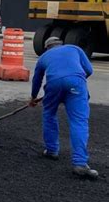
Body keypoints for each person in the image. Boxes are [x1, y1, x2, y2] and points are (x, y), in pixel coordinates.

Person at [29, 36, 98, 179]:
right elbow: (89, 70)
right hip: (77, 83)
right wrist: (73, 79)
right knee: (79, 121)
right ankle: (80, 163)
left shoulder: (43, 57)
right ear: (61, 44)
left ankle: (52, 150)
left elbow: (37, 79)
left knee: (49, 113)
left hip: (53, 84)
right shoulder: (74, 49)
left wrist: (33, 97)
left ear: (47, 47)